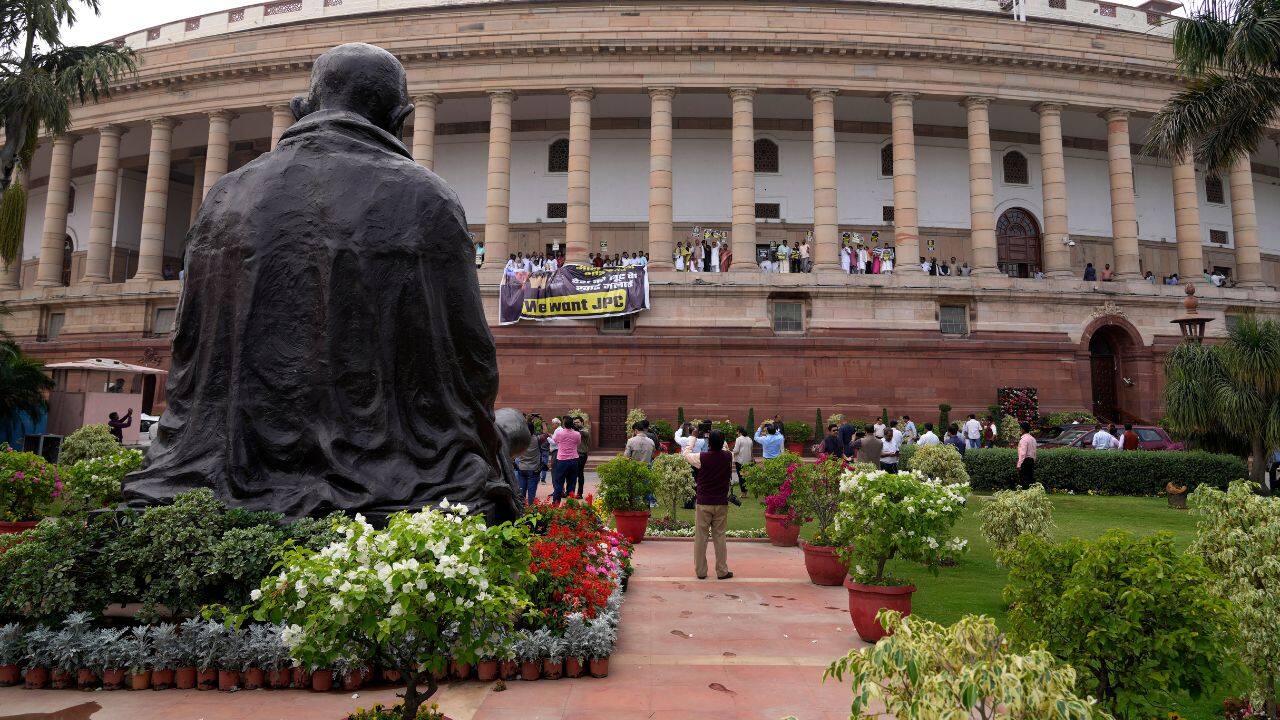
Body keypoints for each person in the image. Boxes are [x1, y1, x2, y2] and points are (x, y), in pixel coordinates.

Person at [683, 430, 734, 580]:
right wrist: (719, 437)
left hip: (704, 502)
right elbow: (725, 448)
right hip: (721, 502)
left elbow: (686, 454)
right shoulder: (728, 456)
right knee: (720, 537)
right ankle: (722, 570)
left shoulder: (702, 457)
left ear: (708, 442)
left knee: (701, 538)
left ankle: (701, 571)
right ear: (723, 442)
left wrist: (693, 437)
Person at [550, 416, 582, 504]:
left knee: (559, 483)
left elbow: (555, 441)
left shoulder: (559, 433)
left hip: (562, 460)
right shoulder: (577, 434)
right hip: (573, 459)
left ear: (564, 424)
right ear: (572, 424)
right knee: (572, 483)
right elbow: (578, 443)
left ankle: (556, 504)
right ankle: (570, 505)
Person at [515, 417, 543, 505]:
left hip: (522, 468)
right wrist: (542, 421)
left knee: (521, 492)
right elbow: (546, 434)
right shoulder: (537, 439)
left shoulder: (520, 440)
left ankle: (521, 508)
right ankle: (531, 509)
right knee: (531, 493)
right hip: (534, 469)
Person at [732, 425, 753, 493]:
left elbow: (736, 451)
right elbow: (751, 451)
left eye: (737, 431)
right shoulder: (749, 439)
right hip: (748, 460)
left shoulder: (739, 439)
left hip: (740, 461)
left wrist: (731, 452)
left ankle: (743, 492)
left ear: (739, 431)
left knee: (741, 477)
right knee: (745, 476)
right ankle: (745, 491)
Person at [573, 417, 590, 498]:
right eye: (574, 423)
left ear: (582, 423)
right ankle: (570, 492)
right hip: (573, 454)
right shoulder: (573, 430)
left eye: (578, 422)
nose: (576, 424)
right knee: (572, 474)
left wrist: (576, 430)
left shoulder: (585, 430)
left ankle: (580, 493)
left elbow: (584, 434)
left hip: (582, 454)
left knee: (579, 473)